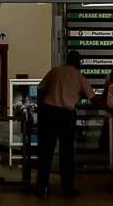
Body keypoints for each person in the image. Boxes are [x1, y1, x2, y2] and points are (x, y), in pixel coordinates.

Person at [34, 50, 98, 197]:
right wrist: (110, 109)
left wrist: (42, 108)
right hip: (67, 117)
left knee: (45, 152)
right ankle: (68, 188)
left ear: (66, 59)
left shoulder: (54, 72)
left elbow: (40, 89)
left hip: (49, 114)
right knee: (66, 153)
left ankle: (41, 187)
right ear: (79, 63)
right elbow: (93, 97)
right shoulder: (79, 77)